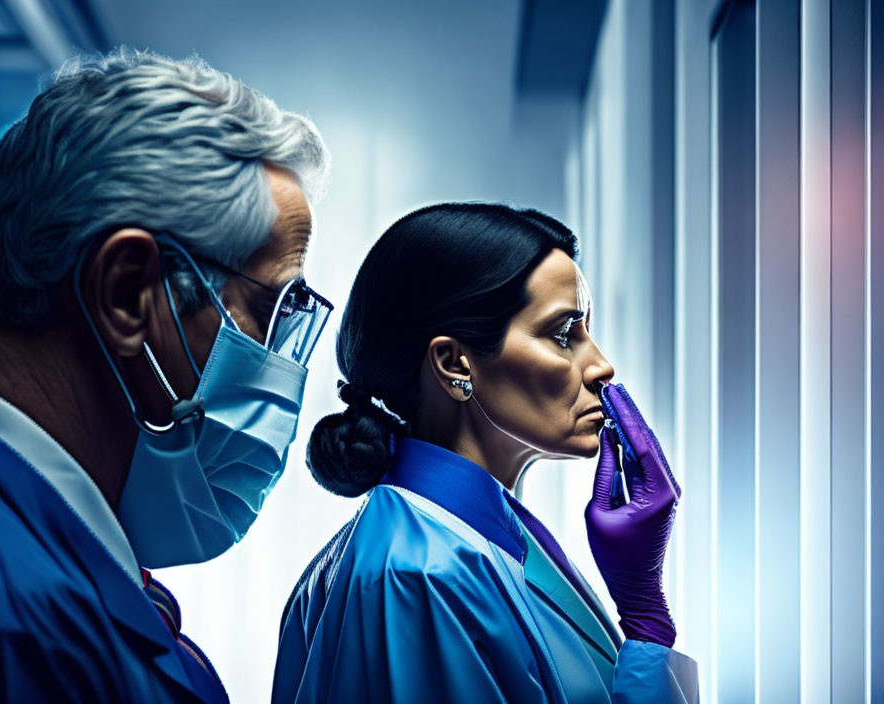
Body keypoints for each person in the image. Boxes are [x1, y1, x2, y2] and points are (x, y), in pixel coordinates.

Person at [0, 48, 331, 702]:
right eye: (268, 312)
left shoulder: (68, 562)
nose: (280, 368)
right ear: (126, 294)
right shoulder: (16, 622)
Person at [273, 203, 698, 703]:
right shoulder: (418, 577)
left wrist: (643, 605)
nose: (601, 366)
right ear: (455, 363)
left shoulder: (477, 540)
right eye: (564, 335)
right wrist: (645, 629)